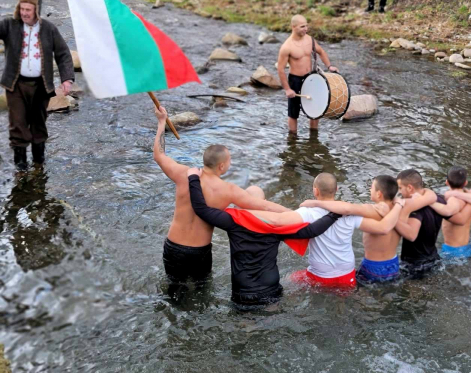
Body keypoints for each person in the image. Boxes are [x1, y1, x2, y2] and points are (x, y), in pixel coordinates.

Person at [153, 107, 290, 296]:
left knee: (175, 292)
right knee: (202, 293)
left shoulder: (183, 174)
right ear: (222, 165)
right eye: (230, 160)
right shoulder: (229, 190)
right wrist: (295, 213)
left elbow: (159, 155)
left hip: (174, 247)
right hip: (200, 251)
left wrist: (161, 122)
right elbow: (264, 206)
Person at [187, 170, 351, 307]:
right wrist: (334, 214)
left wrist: (193, 178)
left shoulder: (232, 221)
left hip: (243, 291)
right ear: (263, 203)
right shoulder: (276, 226)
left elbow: (201, 208)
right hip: (270, 288)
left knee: (246, 330)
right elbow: (311, 231)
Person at [249, 173, 409, 288]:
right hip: (347, 274)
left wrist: (245, 212)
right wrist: (398, 205)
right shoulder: (351, 213)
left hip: (320, 275)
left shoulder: (306, 213)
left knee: (287, 282)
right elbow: (382, 228)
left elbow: (278, 220)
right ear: (337, 189)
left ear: (315, 191)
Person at [297, 175, 438, 285]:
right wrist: (397, 199)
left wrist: (315, 203)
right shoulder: (404, 206)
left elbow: (346, 208)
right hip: (393, 265)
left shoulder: (370, 210)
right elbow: (432, 196)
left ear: (379, 194)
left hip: (373, 267)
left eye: (371, 187)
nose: (369, 189)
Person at [0, 0, 74, 170]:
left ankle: (39, 164)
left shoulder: (48, 29)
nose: (24, 13)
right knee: (17, 124)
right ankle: (21, 167)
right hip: (16, 85)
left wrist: (67, 79)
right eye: (22, 9)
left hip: (41, 86)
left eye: (28, 9)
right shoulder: (9, 25)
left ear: (37, 10)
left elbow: (63, 54)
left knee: (38, 124)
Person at [277, 15, 339, 134]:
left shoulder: (309, 40)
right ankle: (293, 139)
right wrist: (287, 89)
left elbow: (321, 52)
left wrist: (329, 66)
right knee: (293, 113)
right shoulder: (286, 47)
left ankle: (314, 137)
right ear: (293, 27)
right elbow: (280, 69)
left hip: (311, 78)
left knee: (315, 109)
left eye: (306, 25)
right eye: (302, 26)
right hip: (295, 80)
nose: (306, 29)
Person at [395, 169, 448, 277]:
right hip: (433, 257)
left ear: (410, 187)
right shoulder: (438, 199)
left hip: (415, 264)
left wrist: (393, 220)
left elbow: (411, 235)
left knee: (411, 293)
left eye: (400, 188)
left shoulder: (415, 208)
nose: (399, 192)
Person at [429, 166, 471, 258]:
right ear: (465, 182)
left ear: (447, 182)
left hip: (451, 250)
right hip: (467, 248)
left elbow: (449, 210)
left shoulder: (453, 200)